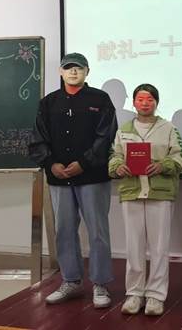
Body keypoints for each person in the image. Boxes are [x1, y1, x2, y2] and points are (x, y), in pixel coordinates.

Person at [28, 52, 117, 308]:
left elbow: (106, 137)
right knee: (64, 230)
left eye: (78, 68)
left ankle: (100, 283)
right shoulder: (48, 103)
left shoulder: (100, 99)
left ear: (87, 71)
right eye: (68, 68)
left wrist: (84, 163)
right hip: (59, 178)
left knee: (98, 231)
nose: (73, 72)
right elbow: (38, 138)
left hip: (92, 176)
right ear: (61, 72)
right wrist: (50, 163)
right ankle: (71, 281)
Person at [108, 84, 182, 316]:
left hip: (160, 193)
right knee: (133, 246)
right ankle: (134, 293)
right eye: (141, 99)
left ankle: (155, 295)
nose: (145, 103)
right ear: (134, 102)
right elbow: (114, 156)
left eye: (150, 99)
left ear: (156, 102)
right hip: (132, 191)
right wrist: (117, 167)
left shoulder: (168, 128)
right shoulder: (123, 129)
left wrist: (164, 165)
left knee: (159, 247)